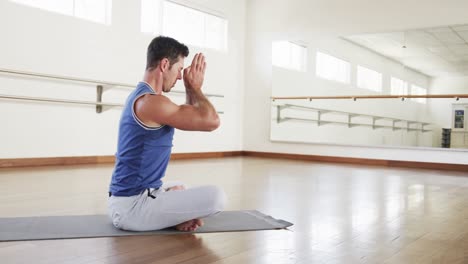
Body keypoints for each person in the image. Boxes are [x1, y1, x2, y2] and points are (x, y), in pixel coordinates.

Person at [108, 36, 226, 232]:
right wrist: (195, 87)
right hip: (132, 208)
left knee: (180, 186)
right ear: (164, 65)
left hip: (127, 200)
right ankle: (169, 217)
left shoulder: (144, 97)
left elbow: (191, 117)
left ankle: (171, 216)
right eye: (179, 69)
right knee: (217, 197)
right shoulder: (151, 102)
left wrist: (190, 88)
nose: (180, 77)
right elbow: (211, 121)